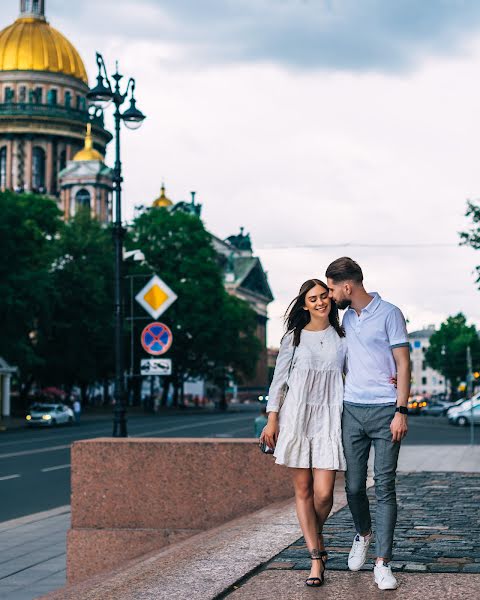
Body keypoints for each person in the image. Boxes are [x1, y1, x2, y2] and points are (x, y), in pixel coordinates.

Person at [326, 257, 410, 591]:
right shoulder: (345, 317)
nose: (331, 295)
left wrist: (401, 410)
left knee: (385, 485)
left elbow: (403, 363)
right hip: (352, 410)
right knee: (354, 487)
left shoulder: (390, 313)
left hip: (385, 411)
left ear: (347, 286)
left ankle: (383, 564)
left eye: (332, 288)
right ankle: (363, 533)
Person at [260, 279, 347, 587]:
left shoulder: (342, 337)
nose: (321, 302)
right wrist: (272, 420)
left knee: (324, 493)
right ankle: (315, 559)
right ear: (304, 304)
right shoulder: (293, 338)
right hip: (296, 417)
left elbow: (355, 373)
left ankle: (315, 534)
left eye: (324, 296)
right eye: (313, 298)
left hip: (328, 419)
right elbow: (279, 383)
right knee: (304, 492)